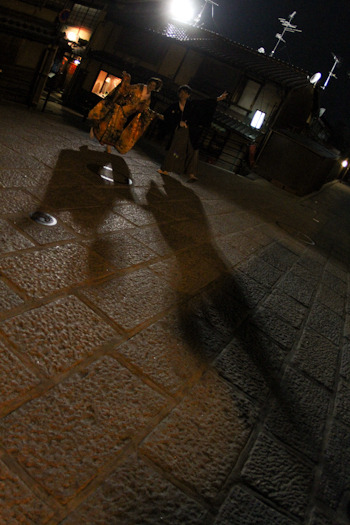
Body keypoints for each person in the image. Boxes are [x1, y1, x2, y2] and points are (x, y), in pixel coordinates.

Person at [158, 85, 228, 182]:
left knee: (193, 151)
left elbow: (205, 103)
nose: (183, 95)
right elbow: (167, 116)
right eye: (181, 92)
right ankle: (165, 168)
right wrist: (179, 122)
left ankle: (191, 174)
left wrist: (219, 98)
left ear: (188, 95)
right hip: (181, 130)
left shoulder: (193, 104)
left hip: (193, 130)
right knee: (175, 148)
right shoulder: (174, 106)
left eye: (185, 93)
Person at [88, 71, 163, 154]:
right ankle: (96, 131)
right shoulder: (138, 87)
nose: (151, 86)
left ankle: (107, 145)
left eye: (153, 86)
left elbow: (146, 109)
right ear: (148, 83)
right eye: (150, 84)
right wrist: (127, 78)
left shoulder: (148, 98)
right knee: (110, 127)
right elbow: (127, 89)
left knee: (115, 131)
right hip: (120, 107)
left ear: (155, 88)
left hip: (126, 113)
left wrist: (156, 114)